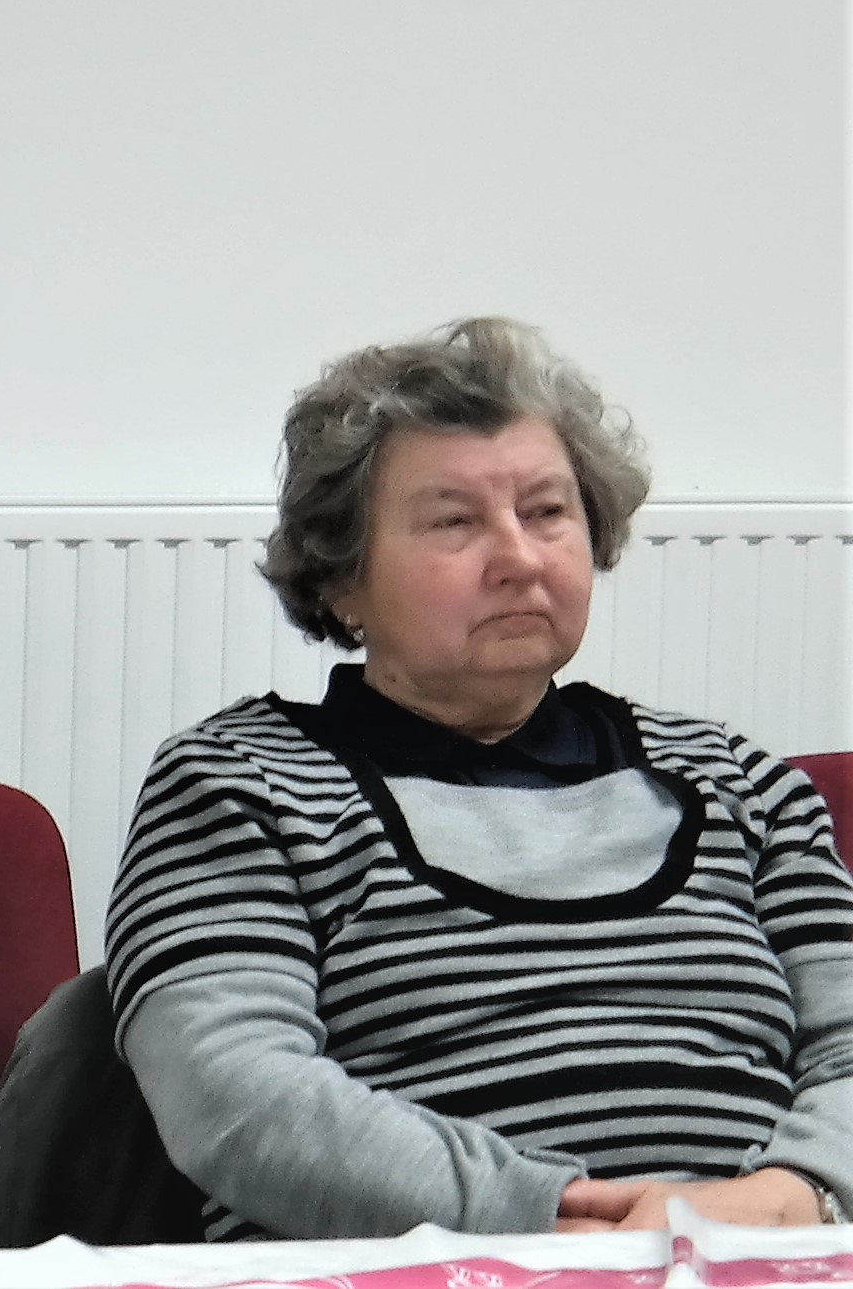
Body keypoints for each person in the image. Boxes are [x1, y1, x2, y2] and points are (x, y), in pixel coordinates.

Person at [105, 318, 853, 1238]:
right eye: (454, 522)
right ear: (341, 577)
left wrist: (791, 1196)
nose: (520, 558)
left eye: (546, 512)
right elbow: (235, 1097)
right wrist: (552, 1221)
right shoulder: (238, 785)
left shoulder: (740, 782)